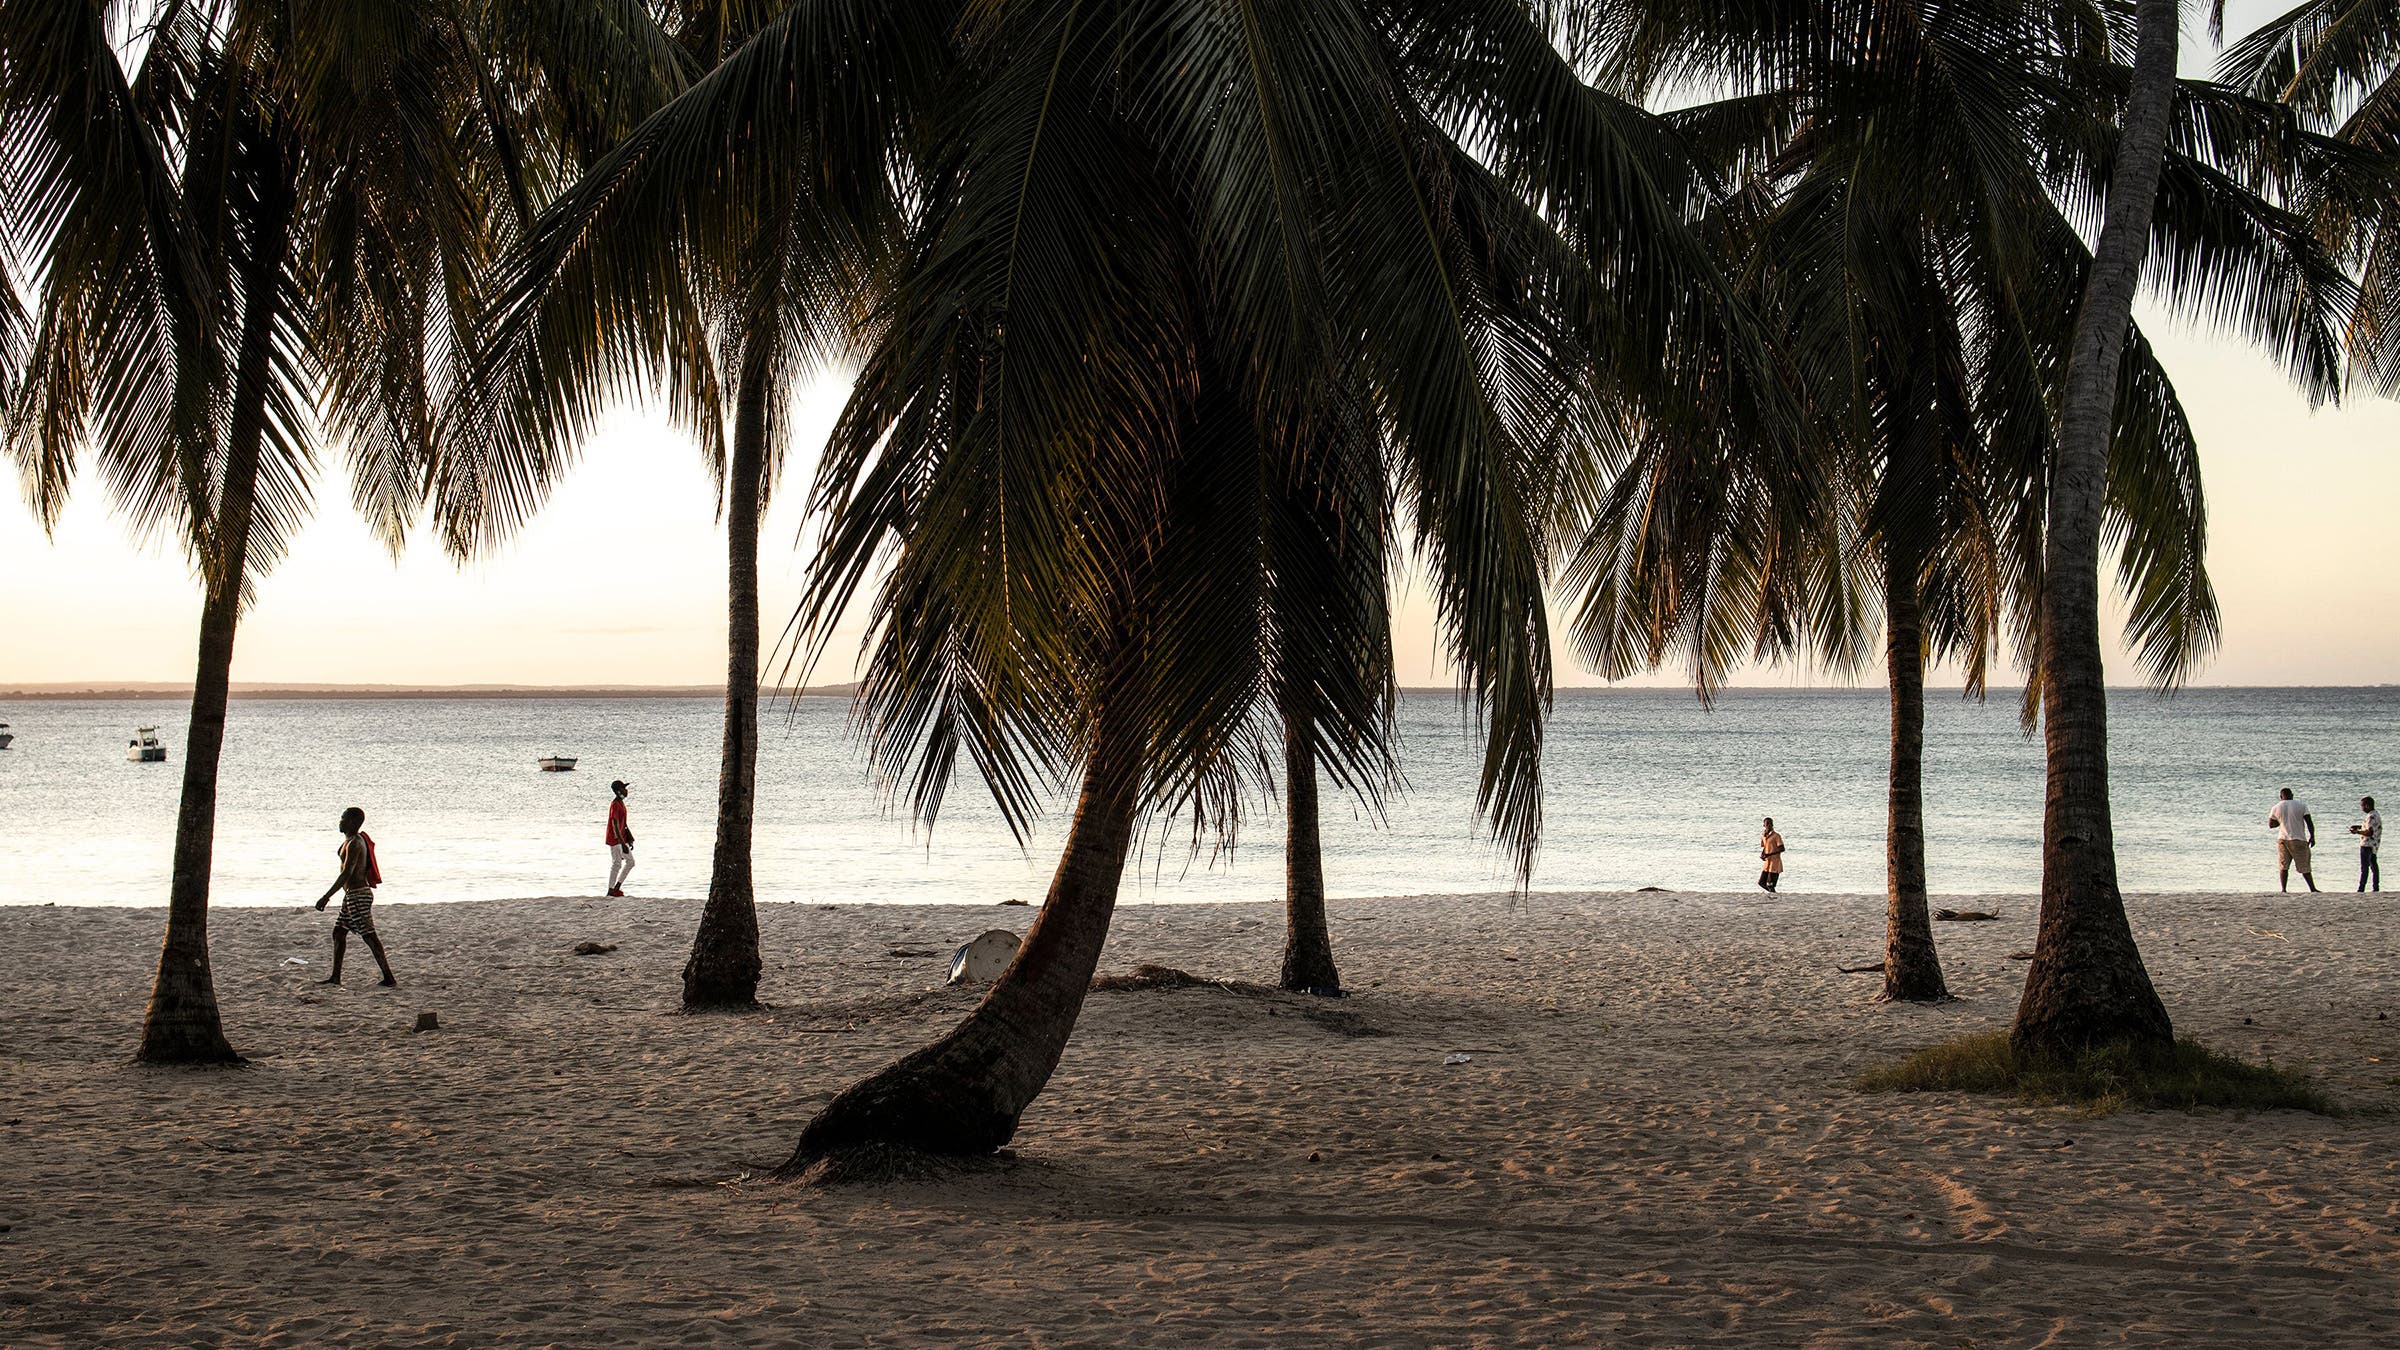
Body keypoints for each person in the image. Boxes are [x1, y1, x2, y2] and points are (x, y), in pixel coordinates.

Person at [312, 806, 396, 987]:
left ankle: (389, 978)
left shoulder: (355, 843)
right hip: (351, 895)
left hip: (358, 895)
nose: (340, 821)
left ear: (351, 822)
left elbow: (347, 873)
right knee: (339, 932)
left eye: (343, 818)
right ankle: (335, 977)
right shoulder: (350, 841)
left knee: (369, 935)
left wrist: (326, 896)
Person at [2268, 788, 2317, 893]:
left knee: (2284, 865)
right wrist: (2312, 836)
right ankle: (2312, 889)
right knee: (2304, 866)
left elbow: (2271, 825)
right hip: (2298, 838)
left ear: (2281, 797)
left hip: (2282, 839)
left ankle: (2284, 889)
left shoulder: (2276, 807)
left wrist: (2281, 822)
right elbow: (2309, 821)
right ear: (2292, 795)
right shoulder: (2301, 805)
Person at [606, 779, 636, 897]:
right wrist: (622, 844)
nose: (626, 790)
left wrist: (629, 837)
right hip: (615, 839)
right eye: (624, 788)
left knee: (628, 862)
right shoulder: (615, 805)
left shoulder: (621, 804)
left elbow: (623, 824)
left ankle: (615, 888)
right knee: (618, 864)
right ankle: (611, 890)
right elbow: (615, 824)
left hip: (621, 839)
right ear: (618, 791)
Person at [2352, 796, 2382, 893]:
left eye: (2362, 806)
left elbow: (2369, 832)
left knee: (2365, 867)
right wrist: (2359, 827)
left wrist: (2357, 832)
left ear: (2367, 806)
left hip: (2367, 844)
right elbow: (2370, 827)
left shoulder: (2371, 816)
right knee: (2373, 866)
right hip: (2374, 845)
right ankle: (2375, 887)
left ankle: (2361, 888)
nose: (2362, 808)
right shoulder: (2375, 814)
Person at [1758, 818, 1785, 893]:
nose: (1769, 825)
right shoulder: (1763, 835)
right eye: (1767, 824)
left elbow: (1782, 848)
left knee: (1770, 884)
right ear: (1764, 825)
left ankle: (1773, 895)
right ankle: (1773, 893)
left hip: (1775, 863)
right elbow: (1765, 846)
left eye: (1770, 823)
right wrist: (1763, 854)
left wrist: (1769, 854)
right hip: (1767, 863)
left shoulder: (1776, 836)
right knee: (1761, 882)